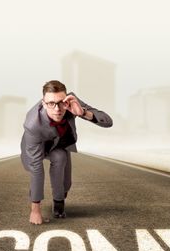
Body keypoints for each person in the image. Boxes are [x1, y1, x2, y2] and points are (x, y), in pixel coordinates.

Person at [20, 80, 113, 224]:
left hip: (58, 143)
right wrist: (35, 210)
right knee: (36, 169)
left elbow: (108, 122)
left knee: (64, 173)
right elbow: (36, 168)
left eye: (61, 103)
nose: (57, 109)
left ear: (66, 99)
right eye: (51, 103)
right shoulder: (33, 124)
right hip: (36, 145)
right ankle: (55, 204)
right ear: (43, 103)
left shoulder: (71, 101)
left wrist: (83, 113)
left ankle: (58, 201)